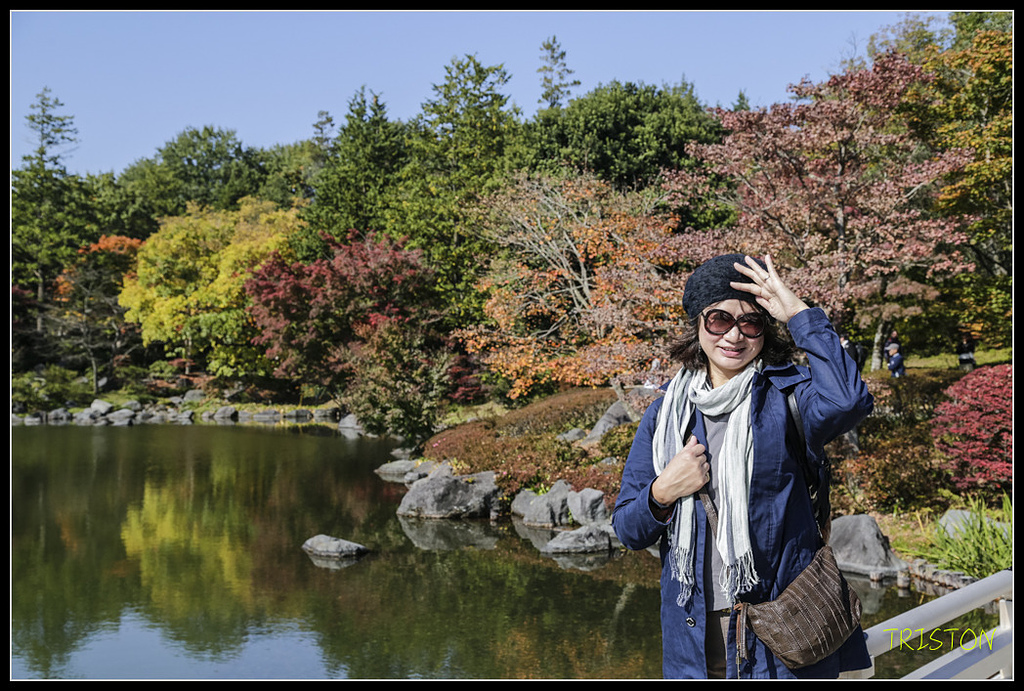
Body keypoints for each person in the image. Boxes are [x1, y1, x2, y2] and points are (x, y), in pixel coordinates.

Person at [612, 253, 873, 679]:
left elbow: (849, 400)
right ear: (698, 325)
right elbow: (629, 530)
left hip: (783, 630)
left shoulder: (789, 399)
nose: (735, 335)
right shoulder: (665, 417)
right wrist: (664, 490)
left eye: (750, 322)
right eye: (719, 320)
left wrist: (797, 312)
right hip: (696, 637)